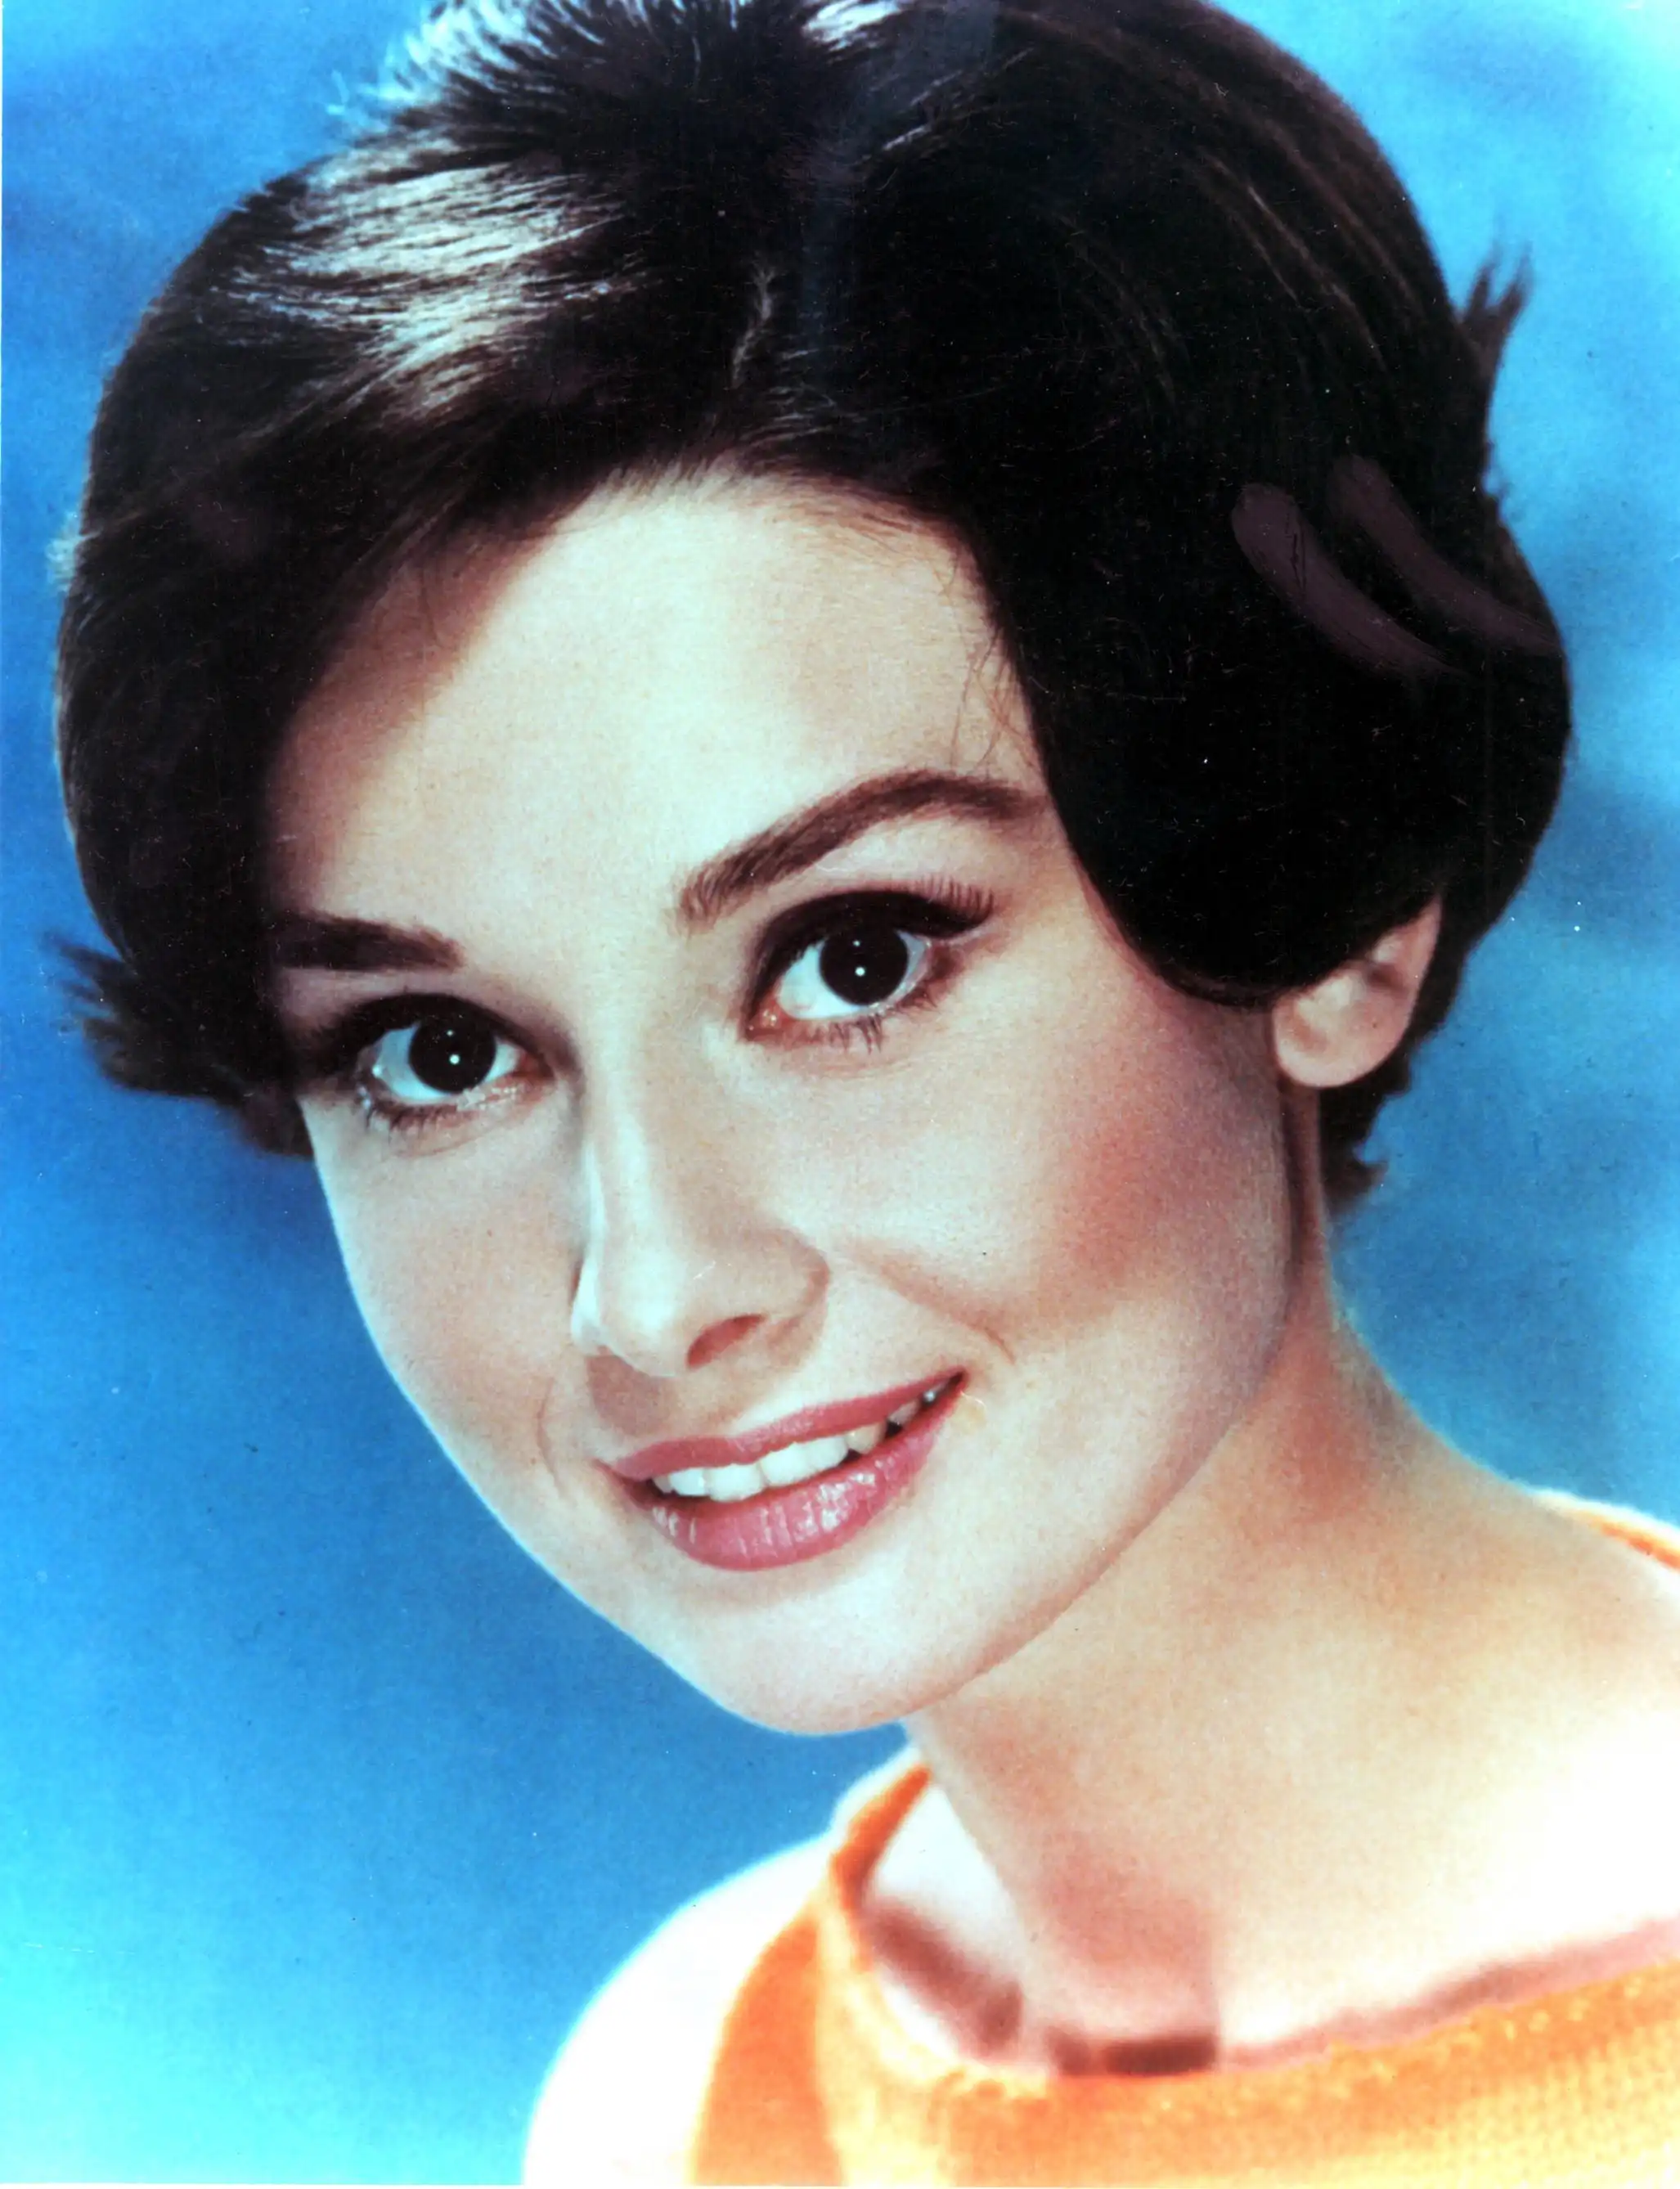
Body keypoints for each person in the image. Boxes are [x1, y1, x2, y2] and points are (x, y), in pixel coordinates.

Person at [54, 0, 1680, 2178]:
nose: (653, 1296)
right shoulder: (681, 2088)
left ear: (1342, 911)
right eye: (440, 1053)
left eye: (853, 958)